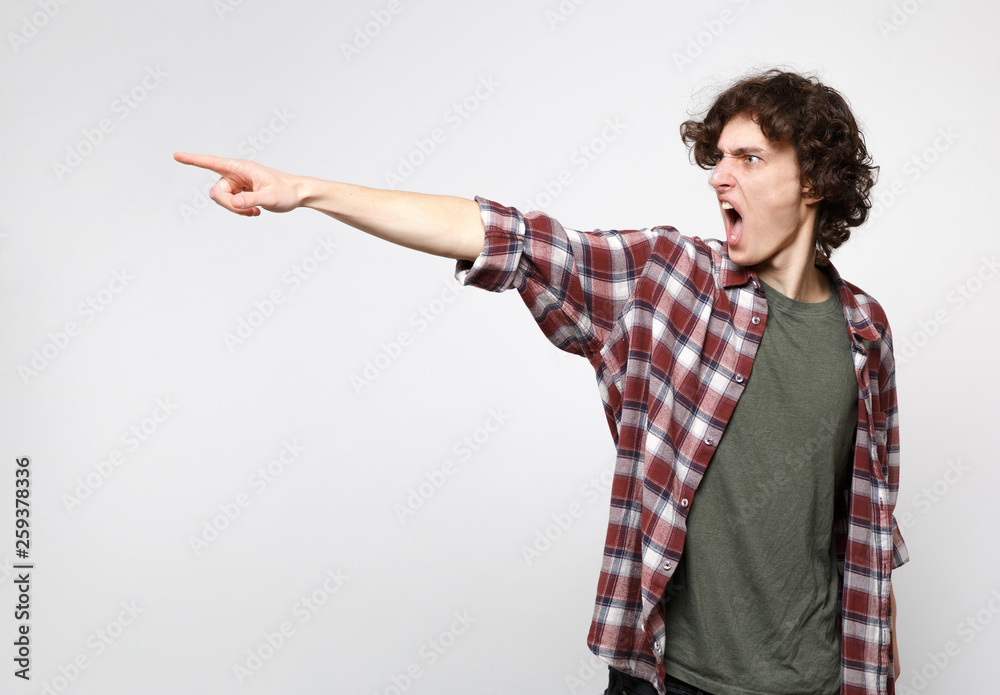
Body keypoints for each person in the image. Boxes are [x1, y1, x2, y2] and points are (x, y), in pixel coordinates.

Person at [174, 67, 908, 695]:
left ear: (812, 179)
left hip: (817, 677)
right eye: (718, 157)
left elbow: (866, 519)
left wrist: (881, 667)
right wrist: (304, 190)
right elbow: (505, 236)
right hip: (671, 674)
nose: (719, 174)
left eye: (748, 158)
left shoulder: (864, 331)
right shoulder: (672, 279)